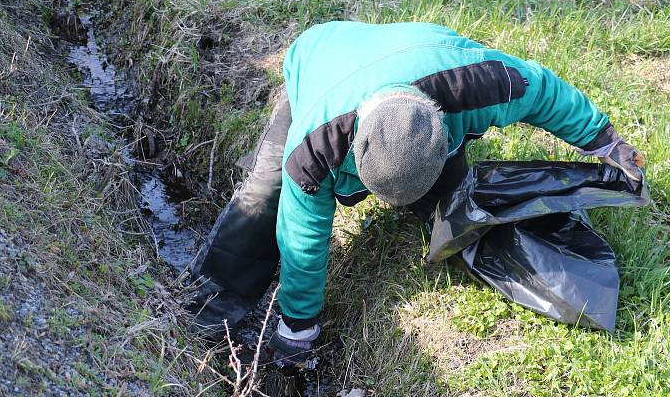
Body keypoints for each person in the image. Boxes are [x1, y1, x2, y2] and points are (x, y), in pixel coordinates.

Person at [189, 21, 645, 367]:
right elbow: (302, 240)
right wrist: (298, 327)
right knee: (266, 196)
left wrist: (606, 141)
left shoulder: (482, 82)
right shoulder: (314, 148)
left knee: (451, 202)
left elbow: (547, 94)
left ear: (441, 126)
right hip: (321, 56)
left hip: (424, 58)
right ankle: (210, 309)